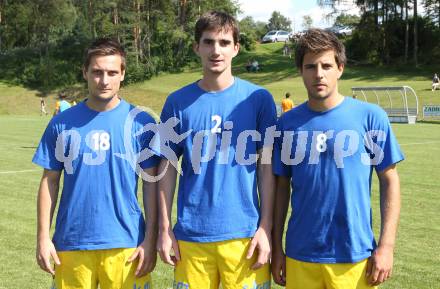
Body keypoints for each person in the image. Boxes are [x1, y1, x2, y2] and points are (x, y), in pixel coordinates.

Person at [272, 28, 404, 289]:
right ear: (301, 71)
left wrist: (387, 246)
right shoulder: (286, 124)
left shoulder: (370, 117)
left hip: (353, 254)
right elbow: (280, 188)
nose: (318, 74)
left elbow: (390, 181)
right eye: (310, 66)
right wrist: (277, 248)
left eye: (326, 65)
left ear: (340, 68)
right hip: (301, 255)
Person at [156, 11, 277, 289]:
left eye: (224, 43)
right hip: (191, 237)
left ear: (236, 48)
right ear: (196, 47)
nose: (216, 50)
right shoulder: (177, 102)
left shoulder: (259, 99)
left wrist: (265, 228)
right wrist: (164, 229)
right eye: (208, 42)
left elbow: (267, 167)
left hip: (244, 236)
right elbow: (166, 168)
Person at [33, 38, 159, 289]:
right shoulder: (62, 123)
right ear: (85, 73)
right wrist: (42, 238)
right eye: (97, 72)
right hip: (71, 243)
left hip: (127, 243)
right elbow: (50, 181)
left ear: (122, 74)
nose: (104, 80)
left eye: (112, 72)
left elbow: (151, 186)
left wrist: (150, 239)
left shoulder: (141, 122)